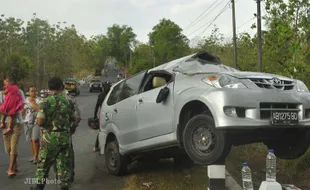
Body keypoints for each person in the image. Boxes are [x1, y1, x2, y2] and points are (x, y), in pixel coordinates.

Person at [32, 77, 76, 190]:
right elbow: (73, 118)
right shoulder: (69, 101)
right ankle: (64, 186)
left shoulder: (45, 102)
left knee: (43, 165)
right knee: (63, 165)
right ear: (61, 87)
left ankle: (39, 187)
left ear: (49, 88)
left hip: (49, 139)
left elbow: (40, 121)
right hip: (65, 138)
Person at [0, 76, 25, 177]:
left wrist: (14, 112)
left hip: (17, 123)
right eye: (5, 82)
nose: (5, 84)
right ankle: (14, 164)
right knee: (8, 149)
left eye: (7, 82)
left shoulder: (19, 92)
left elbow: (22, 105)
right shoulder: (1, 94)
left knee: (13, 147)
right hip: (6, 123)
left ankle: (11, 169)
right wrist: (8, 113)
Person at [24, 86, 41, 164]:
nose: (33, 92)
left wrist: (32, 102)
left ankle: (36, 157)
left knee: (35, 139)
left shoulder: (39, 100)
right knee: (31, 140)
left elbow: (38, 109)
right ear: (29, 92)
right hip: (27, 122)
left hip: (36, 122)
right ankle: (34, 155)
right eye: (31, 91)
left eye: (34, 91)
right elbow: (22, 111)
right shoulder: (25, 100)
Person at [93, 81, 112, 152]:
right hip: (110, 113)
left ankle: (96, 147)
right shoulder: (110, 95)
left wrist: (95, 115)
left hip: (102, 114)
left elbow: (97, 106)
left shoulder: (101, 95)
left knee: (102, 130)